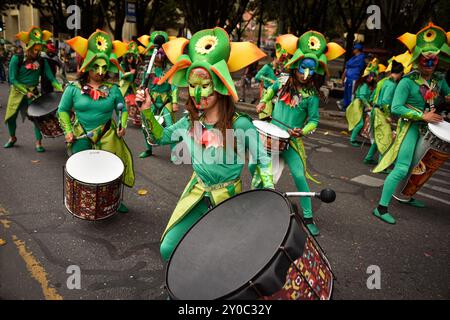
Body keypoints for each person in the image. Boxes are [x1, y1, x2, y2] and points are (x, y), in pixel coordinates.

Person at [136, 27, 274, 261]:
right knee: (168, 248)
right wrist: (147, 111)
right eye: (192, 85)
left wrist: (268, 194)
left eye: (204, 85)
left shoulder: (240, 125)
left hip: (228, 198)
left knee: (222, 258)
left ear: (220, 85)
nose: (197, 94)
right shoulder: (190, 120)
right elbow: (159, 137)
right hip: (198, 191)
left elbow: (262, 159)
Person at [255, 30, 345, 236]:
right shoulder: (281, 81)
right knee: (262, 176)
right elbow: (270, 92)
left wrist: (302, 131)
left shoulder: (312, 96)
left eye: (311, 69)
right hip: (271, 137)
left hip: (291, 143)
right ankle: (254, 208)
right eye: (304, 67)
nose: (307, 73)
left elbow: (314, 120)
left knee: (299, 176)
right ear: (296, 65)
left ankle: (308, 217)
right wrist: (263, 101)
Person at [372, 22, 450, 224]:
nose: (430, 64)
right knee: (402, 167)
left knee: (419, 166)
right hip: (410, 128)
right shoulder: (407, 81)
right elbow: (396, 107)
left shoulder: (439, 81)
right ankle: (381, 207)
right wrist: (421, 116)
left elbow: (447, 94)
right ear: (418, 59)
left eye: (433, 60)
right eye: (426, 60)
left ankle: (404, 196)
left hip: (430, 131)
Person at [57, 29, 134, 213]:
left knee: (111, 172)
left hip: (108, 134)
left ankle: (113, 202)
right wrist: (67, 130)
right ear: (86, 65)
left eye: (104, 67)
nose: (100, 72)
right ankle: (80, 201)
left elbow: (122, 110)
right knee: (81, 171)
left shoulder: (113, 89)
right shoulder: (73, 88)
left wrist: (123, 125)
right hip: (80, 135)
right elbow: (63, 110)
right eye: (95, 67)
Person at [4, 27, 63, 151]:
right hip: (17, 92)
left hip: (34, 93)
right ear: (28, 46)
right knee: (11, 117)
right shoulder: (17, 58)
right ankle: (12, 137)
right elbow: (13, 79)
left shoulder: (42, 61)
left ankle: (38, 143)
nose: (37, 52)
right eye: (34, 49)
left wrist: (60, 88)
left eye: (39, 50)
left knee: (37, 117)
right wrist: (26, 91)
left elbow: (51, 78)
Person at [136, 31, 179, 159]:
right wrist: (141, 91)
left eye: (161, 54)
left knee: (171, 126)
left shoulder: (170, 69)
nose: (159, 57)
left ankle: (174, 152)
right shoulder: (149, 69)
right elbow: (144, 83)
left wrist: (175, 102)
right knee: (146, 124)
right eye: (157, 54)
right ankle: (148, 149)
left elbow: (174, 86)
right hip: (152, 100)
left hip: (166, 101)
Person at [363, 55, 411, 167]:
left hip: (375, 110)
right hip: (381, 113)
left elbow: (373, 97)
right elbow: (385, 102)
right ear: (400, 73)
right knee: (385, 139)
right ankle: (382, 165)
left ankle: (369, 158)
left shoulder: (383, 81)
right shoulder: (392, 85)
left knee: (380, 136)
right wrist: (387, 115)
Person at [345, 58, 384, 147]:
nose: (371, 78)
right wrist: (368, 105)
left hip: (360, 105)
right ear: (366, 76)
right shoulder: (364, 85)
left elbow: (368, 98)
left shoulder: (367, 85)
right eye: (370, 76)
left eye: (372, 76)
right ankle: (352, 139)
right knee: (360, 124)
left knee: (360, 123)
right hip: (357, 104)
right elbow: (362, 96)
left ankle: (353, 138)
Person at [254, 34, 293, 120]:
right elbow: (257, 76)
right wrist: (269, 79)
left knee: (275, 119)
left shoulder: (281, 68)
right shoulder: (267, 67)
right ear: (275, 57)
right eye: (281, 59)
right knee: (266, 118)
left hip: (277, 95)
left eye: (283, 60)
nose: (282, 61)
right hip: (267, 94)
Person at [119, 41, 142, 126]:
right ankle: (123, 121)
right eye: (129, 57)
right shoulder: (122, 65)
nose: (131, 59)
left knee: (137, 102)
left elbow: (135, 78)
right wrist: (129, 73)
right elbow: (121, 76)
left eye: (132, 57)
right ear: (125, 57)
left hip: (132, 87)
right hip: (124, 88)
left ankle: (135, 116)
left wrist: (138, 85)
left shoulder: (133, 65)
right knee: (127, 103)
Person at [339, 43, 366, 110]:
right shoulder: (354, 57)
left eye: (354, 48)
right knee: (347, 93)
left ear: (358, 50)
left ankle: (350, 108)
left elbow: (349, 64)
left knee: (351, 94)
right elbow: (347, 66)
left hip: (354, 78)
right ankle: (345, 106)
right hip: (348, 77)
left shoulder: (361, 58)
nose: (353, 50)